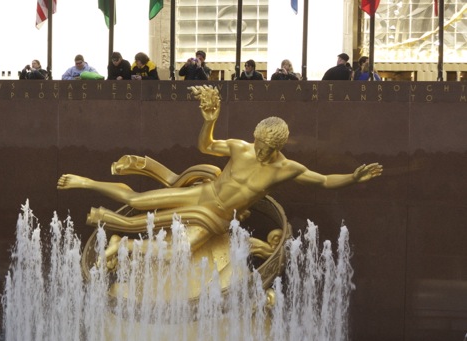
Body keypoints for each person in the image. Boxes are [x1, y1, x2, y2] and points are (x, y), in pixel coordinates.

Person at [56, 85, 382, 263]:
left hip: (219, 217)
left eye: (266, 148)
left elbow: (324, 180)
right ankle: (86, 182)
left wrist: (353, 177)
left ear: (278, 147)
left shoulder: (286, 169)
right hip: (203, 194)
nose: (259, 151)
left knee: (178, 253)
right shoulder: (241, 148)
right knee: (139, 200)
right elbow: (206, 145)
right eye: (258, 143)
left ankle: (121, 243)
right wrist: (209, 119)